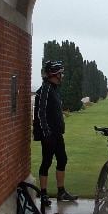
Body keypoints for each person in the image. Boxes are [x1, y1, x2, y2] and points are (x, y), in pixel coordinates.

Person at [34, 60, 77, 204]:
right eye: (60, 74)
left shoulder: (54, 89)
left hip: (57, 133)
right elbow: (40, 112)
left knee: (62, 159)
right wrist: (46, 132)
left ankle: (61, 192)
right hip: (49, 134)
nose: (62, 76)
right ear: (54, 75)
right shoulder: (45, 89)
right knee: (46, 162)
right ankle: (44, 194)